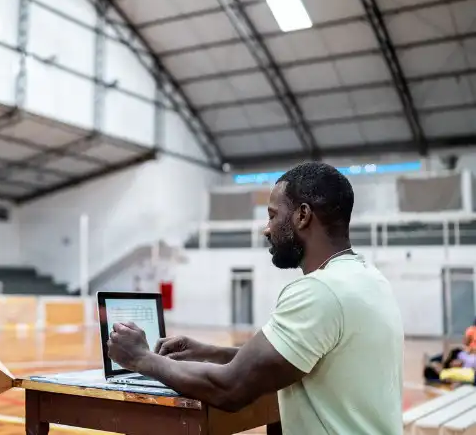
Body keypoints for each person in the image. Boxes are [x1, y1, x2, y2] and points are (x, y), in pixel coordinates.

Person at [107, 162, 405, 435]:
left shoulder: (321, 290)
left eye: (273, 215)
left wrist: (141, 359)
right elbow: (285, 361)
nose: (266, 229)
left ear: (303, 216)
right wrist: (210, 352)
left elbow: (230, 388)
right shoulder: (368, 278)